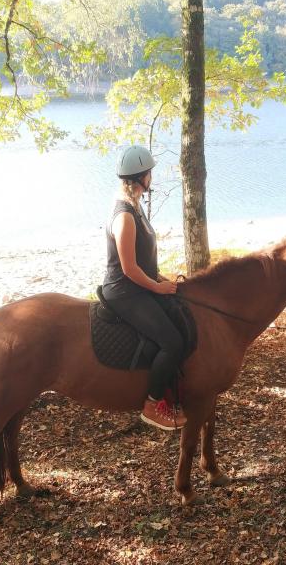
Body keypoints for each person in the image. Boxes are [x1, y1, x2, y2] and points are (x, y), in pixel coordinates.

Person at [101, 145, 187, 431]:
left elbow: (143, 261)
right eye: (150, 173)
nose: (152, 178)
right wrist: (156, 288)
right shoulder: (125, 215)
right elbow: (128, 268)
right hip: (125, 291)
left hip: (140, 285)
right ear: (141, 178)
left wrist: (162, 278)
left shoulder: (135, 205)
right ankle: (152, 403)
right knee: (172, 342)